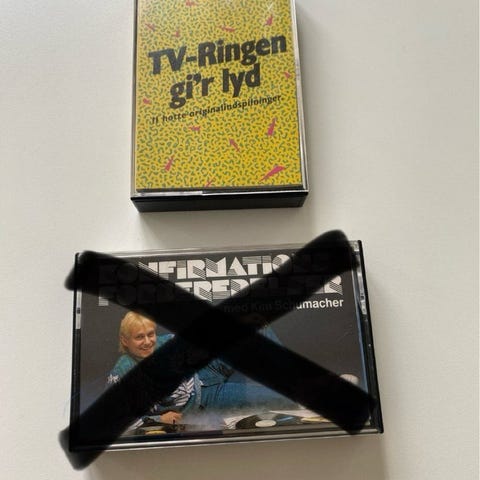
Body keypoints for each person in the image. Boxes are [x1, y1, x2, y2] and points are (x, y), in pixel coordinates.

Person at [106, 311, 295, 424]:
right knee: (285, 398)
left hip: (206, 369)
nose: (148, 342)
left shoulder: (162, 342)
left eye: (151, 334)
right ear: (125, 340)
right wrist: (158, 419)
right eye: (139, 337)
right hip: (206, 398)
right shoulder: (123, 371)